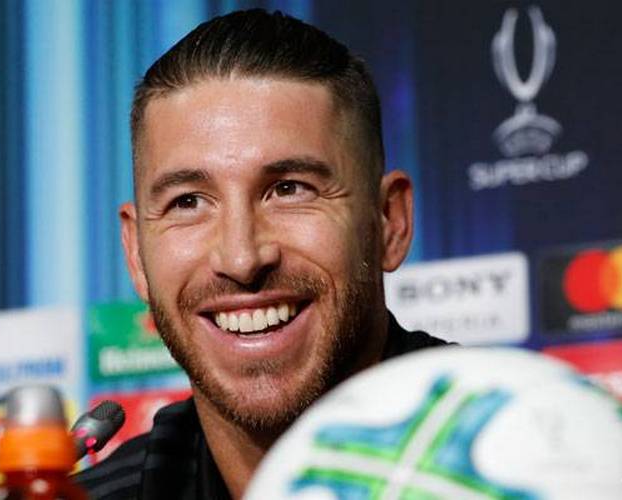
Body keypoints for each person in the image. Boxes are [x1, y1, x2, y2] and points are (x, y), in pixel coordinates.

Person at [76, 9, 448, 499]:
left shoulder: (535, 461)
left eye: (290, 189)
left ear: (388, 222)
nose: (241, 258)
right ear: (135, 252)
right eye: (187, 202)